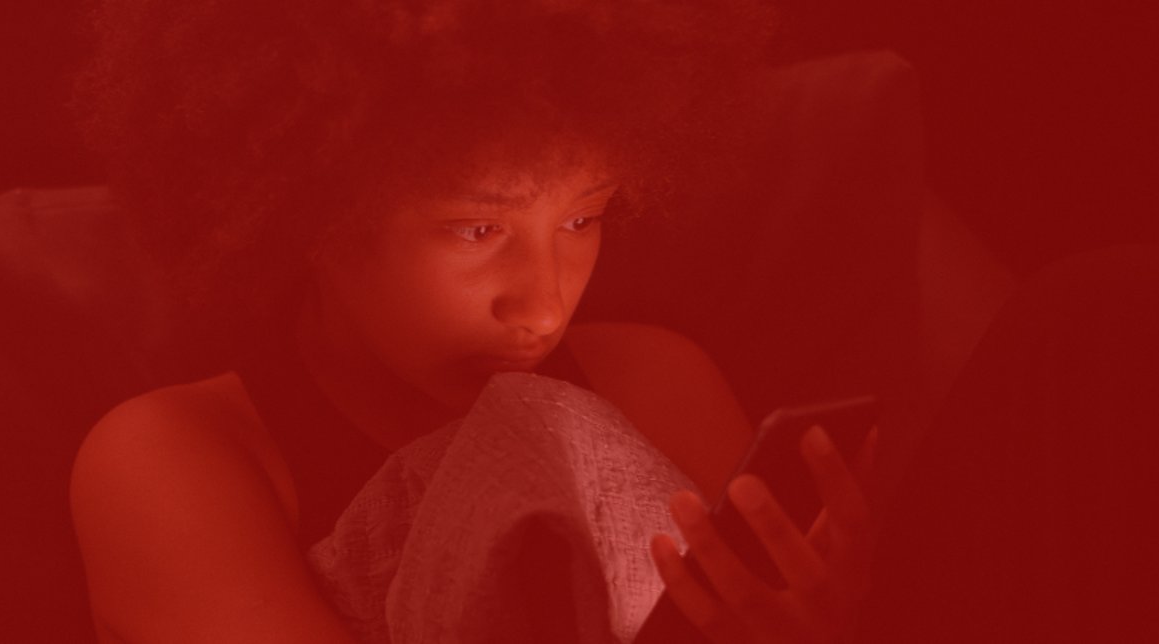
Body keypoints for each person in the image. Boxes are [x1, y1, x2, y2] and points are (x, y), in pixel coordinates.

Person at [66, 1, 873, 642]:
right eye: (477, 230)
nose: (545, 307)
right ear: (312, 216)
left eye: (582, 219)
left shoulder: (654, 384)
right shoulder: (168, 464)